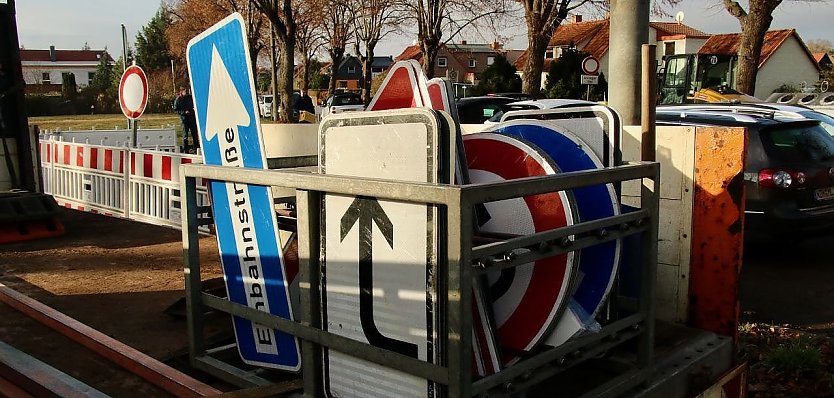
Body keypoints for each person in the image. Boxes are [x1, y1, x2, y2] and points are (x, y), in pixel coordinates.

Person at [174, 87, 199, 153]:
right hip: (184, 119)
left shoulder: (190, 97)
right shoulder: (178, 99)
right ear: (181, 91)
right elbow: (176, 110)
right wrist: (184, 112)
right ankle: (185, 149)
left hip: (192, 118)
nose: (186, 92)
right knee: (185, 135)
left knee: (194, 134)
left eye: (187, 91)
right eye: (184, 91)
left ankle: (197, 148)